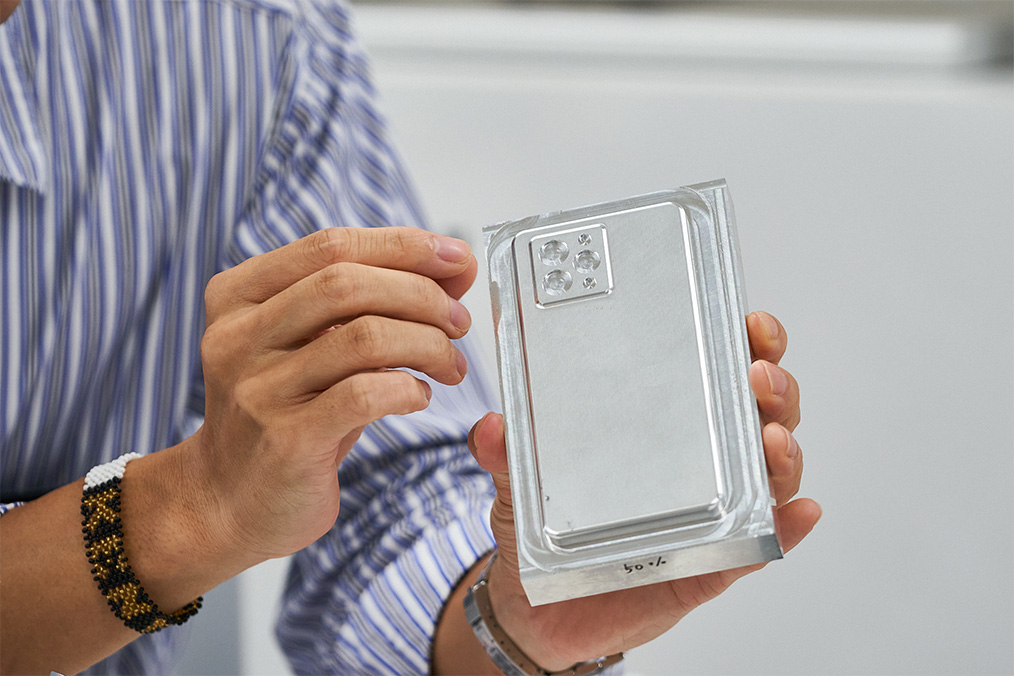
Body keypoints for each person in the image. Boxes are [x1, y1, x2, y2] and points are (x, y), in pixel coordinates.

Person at [0, 0, 820, 673]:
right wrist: (189, 509)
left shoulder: (252, 34)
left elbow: (391, 487)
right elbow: (230, 495)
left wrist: (506, 626)